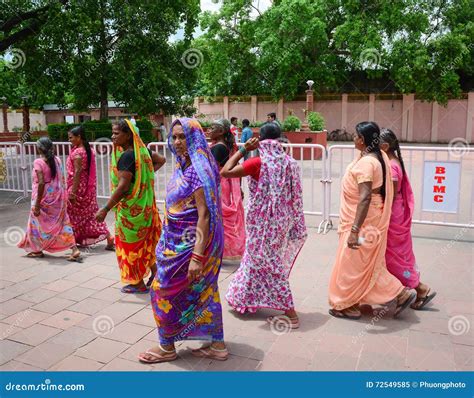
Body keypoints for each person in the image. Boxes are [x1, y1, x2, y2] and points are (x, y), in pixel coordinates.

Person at [139, 118, 227, 364]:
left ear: (195, 139)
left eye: (183, 137)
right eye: (174, 137)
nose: (177, 142)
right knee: (205, 290)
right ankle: (217, 345)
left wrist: (197, 257)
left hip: (188, 248)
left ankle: (167, 346)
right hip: (176, 243)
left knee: (160, 290)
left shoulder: (197, 171)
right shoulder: (185, 165)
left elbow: (205, 214)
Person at [221, 122, 307, 329]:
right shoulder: (290, 163)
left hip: (263, 224)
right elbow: (295, 195)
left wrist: (243, 149)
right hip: (281, 222)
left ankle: (290, 313)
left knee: (269, 264)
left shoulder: (258, 163)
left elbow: (225, 171)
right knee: (253, 259)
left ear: (260, 141)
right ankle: (245, 300)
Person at [328, 121, 416, 319]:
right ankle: (400, 294)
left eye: (356, 135)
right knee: (362, 263)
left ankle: (348, 303)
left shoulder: (368, 163)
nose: (353, 138)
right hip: (368, 220)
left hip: (363, 224)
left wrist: (354, 230)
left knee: (351, 262)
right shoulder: (375, 156)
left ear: (363, 139)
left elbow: (365, 197)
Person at [95, 119, 165, 294]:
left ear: (128, 135)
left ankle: (137, 283)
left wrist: (105, 208)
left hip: (130, 214)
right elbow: (161, 159)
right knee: (147, 244)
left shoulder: (126, 156)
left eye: (116, 133)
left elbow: (123, 186)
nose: (112, 137)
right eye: (112, 133)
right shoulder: (143, 151)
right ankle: (158, 277)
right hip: (146, 209)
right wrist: (141, 178)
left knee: (130, 247)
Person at [380, 128, 436, 310]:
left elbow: (391, 193)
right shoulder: (394, 161)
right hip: (397, 213)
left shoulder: (392, 166)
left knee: (393, 258)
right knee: (398, 257)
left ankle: (419, 288)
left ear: (385, 146)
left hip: (393, 216)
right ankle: (407, 290)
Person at [18, 137, 81, 261]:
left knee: (35, 223)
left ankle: (37, 250)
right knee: (63, 222)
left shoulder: (38, 162)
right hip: (58, 198)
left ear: (40, 148)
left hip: (42, 198)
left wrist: (37, 205)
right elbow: (60, 178)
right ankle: (74, 248)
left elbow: (41, 183)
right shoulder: (57, 160)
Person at [66, 126, 114, 249]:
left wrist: (73, 193)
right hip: (89, 187)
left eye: (71, 138)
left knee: (70, 214)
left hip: (77, 187)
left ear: (79, 137)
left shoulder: (77, 153)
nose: (69, 140)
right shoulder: (89, 150)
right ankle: (109, 237)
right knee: (91, 214)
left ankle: (72, 244)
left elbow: (77, 172)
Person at [209, 119, 246, 261]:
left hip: (218, 185)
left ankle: (218, 251)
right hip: (223, 185)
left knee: (220, 217)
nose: (209, 130)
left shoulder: (218, 148)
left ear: (221, 132)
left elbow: (212, 170)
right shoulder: (222, 146)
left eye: (213, 127)